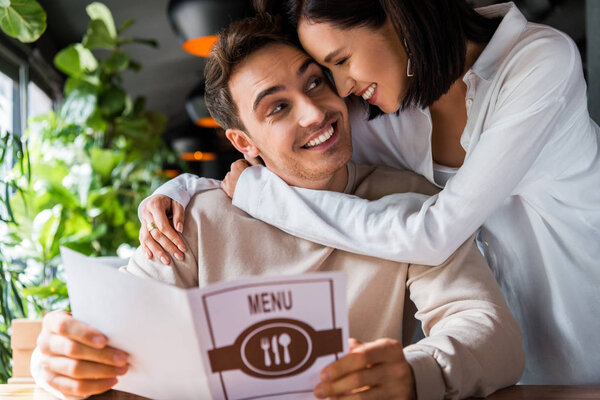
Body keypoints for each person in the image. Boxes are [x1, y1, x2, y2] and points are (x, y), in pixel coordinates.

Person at [31, 14, 524, 400]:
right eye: (278, 107)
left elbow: (491, 334)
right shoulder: (194, 219)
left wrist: (417, 374)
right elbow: (110, 338)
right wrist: (56, 365)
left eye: (315, 83)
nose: (315, 112)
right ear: (244, 143)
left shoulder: (409, 197)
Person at [141, 0, 600, 384]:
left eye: (334, 65)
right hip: (502, 380)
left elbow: (435, 232)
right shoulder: (390, 106)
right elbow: (290, 154)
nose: (337, 93)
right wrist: (184, 192)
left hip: (585, 336)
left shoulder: (538, 62)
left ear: (396, 16)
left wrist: (256, 195)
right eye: (329, 71)